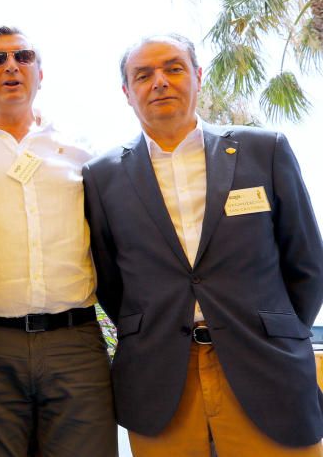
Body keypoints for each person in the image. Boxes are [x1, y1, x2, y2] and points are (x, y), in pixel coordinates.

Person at [83, 34, 323, 455]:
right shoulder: (101, 176)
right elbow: (110, 280)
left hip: (267, 367)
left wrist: (278, 331)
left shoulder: (263, 150)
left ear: (197, 76)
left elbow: (306, 262)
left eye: (173, 68)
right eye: (143, 75)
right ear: (127, 92)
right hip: (160, 375)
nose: (159, 81)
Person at [0, 26, 116, 456]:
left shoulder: (82, 151)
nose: (11, 66)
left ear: (40, 74)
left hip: (76, 344)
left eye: (23, 57)